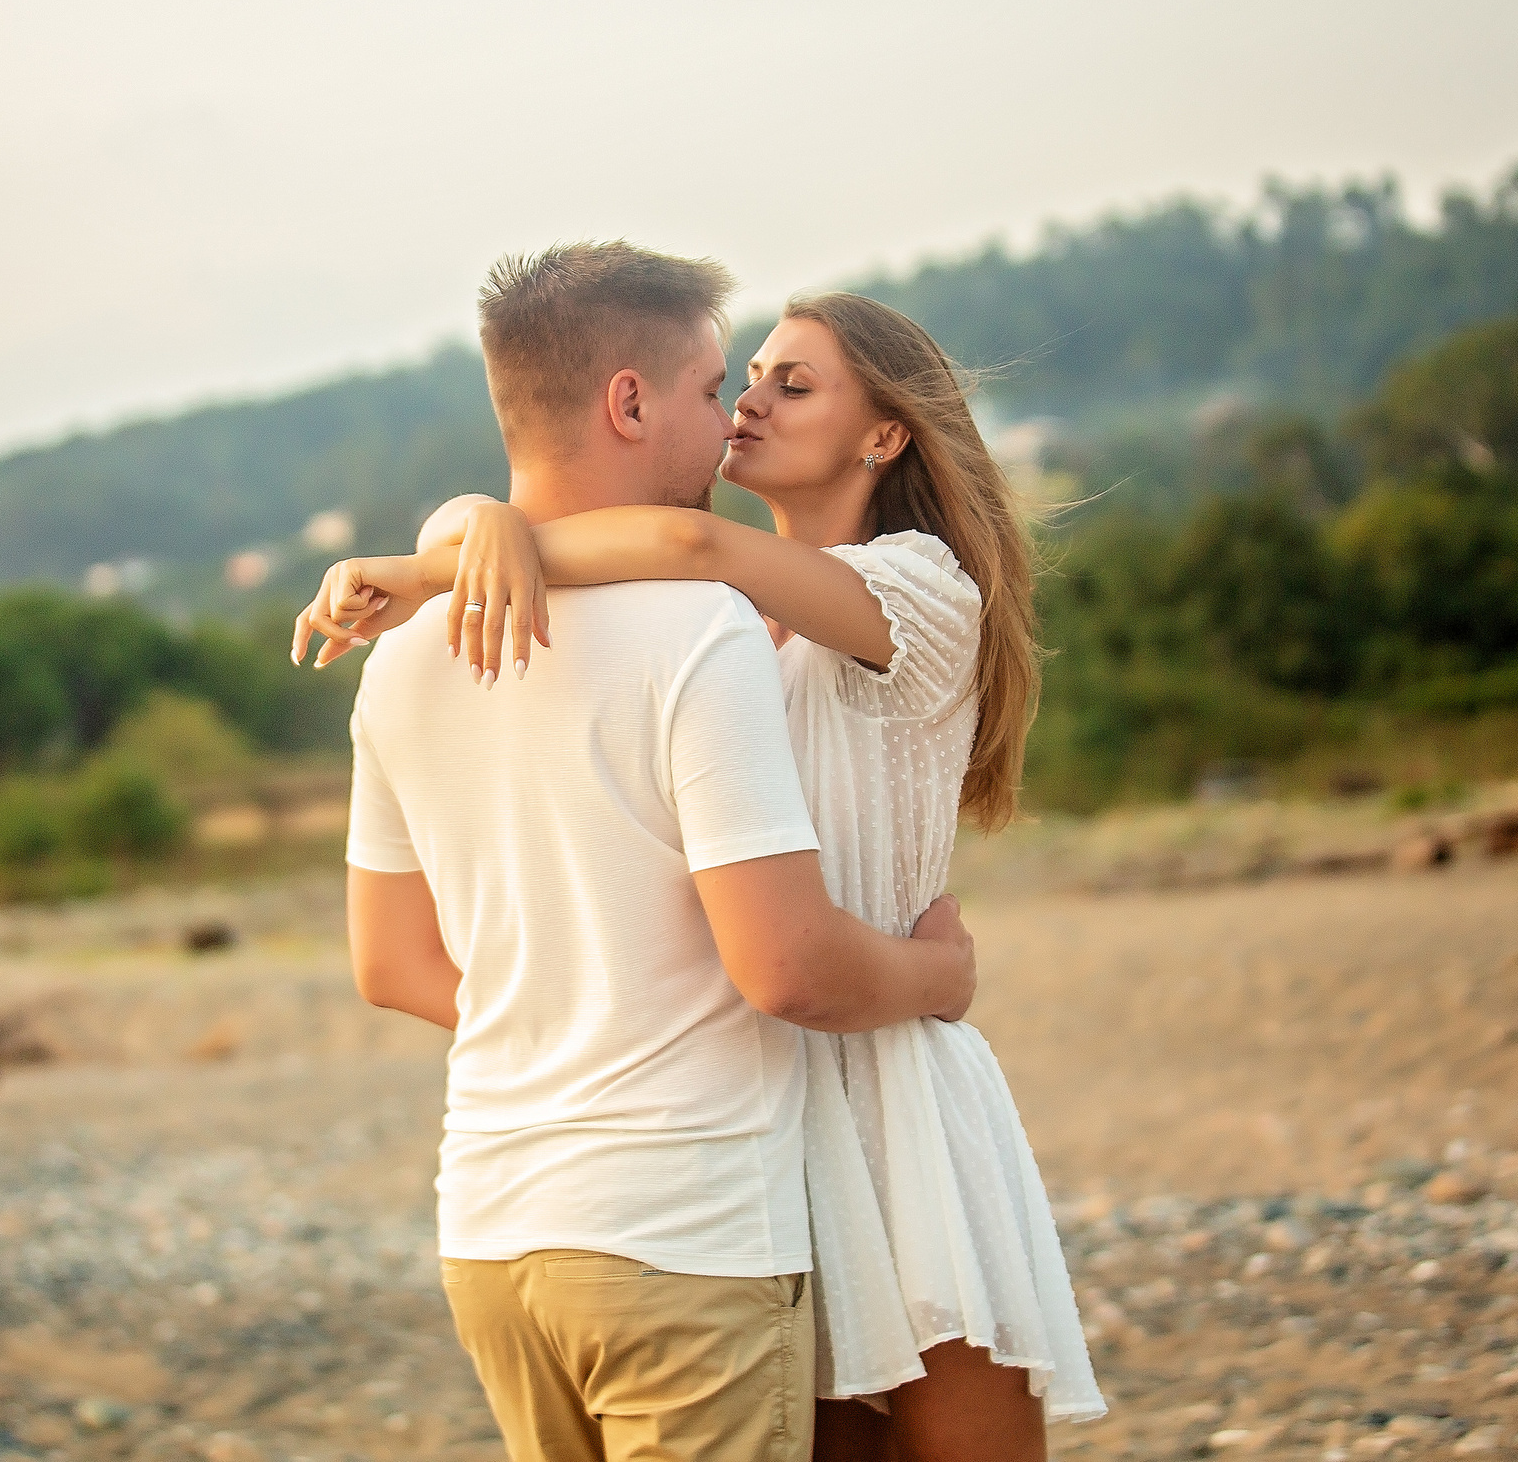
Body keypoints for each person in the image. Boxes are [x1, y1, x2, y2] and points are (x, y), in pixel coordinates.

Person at [296, 289, 1106, 1459]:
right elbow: (636, 554)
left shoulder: (917, 589)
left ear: (885, 434)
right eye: (746, 377)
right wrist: (475, 521)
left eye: (792, 384)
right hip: (742, 1105)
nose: (748, 404)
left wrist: (439, 562)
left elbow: (682, 541)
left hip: (881, 1088)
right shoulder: (709, 623)